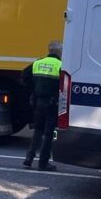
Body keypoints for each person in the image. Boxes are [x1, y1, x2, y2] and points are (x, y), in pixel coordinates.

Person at [22, 41, 63, 171]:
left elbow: (24, 75)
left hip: (38, 101)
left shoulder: (38, 63)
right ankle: (43, 163)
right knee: (48, 133)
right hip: (52, 103)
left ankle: (29, 159)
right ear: (59, 52)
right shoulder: (60, 65)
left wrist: (33, 89)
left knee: (38, 131)